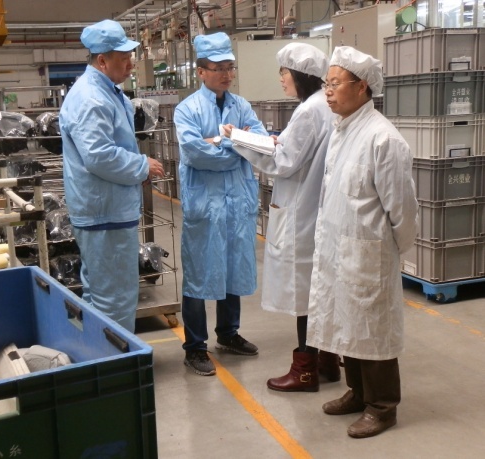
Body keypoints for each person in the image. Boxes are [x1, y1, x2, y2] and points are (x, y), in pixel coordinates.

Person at [306, 46, 419, 438]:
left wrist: (391, 250)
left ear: (362, 87)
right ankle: (357, 392)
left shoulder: (383, 139)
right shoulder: (342, 130)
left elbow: (403, 208)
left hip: (370, 251)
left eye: (336, 83)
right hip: (342, 248)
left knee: (374, 328)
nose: (328, 91)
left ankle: (383, 407)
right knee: (348, 324)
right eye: (326, 83)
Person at [233, 43, 338, 392]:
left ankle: (304, 371)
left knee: (304, 293)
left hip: (302, 212)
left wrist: (239, 140)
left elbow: (282, 163)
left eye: (284, 72)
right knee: (318, 291)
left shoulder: (308, 110)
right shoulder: (325, 105)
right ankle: (327, 362)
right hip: (317, 208)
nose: (281, 78)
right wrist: (276, 142)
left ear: (300, 75)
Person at [60, 20, 164, 333]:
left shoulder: (106, 91)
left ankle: (98, 354)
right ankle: (116, 358)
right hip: (105, 212)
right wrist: (142, 166)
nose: (131, 64)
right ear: (103, 61)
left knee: (100, 294)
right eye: (124, 58)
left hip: (105, 208)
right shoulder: (92, 98)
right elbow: (99, 156)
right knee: (115, 299)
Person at [174, 32, 268, 376]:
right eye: (219, 68)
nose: (227, 74)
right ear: (201, 71)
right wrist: (235, 144)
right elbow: (196, 153)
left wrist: (221, 141)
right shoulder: (187, 109)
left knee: (231, 267)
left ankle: (228, 334)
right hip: (205, 206)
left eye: (230, 67)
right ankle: (195, 347)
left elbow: (260, 143)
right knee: (198, 275)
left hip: (236, 203)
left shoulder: (241, 106)